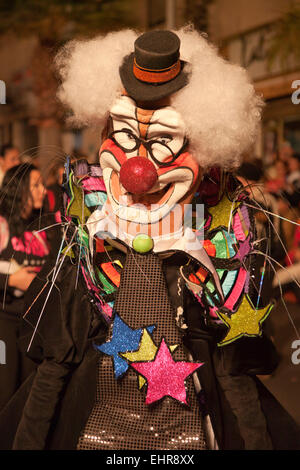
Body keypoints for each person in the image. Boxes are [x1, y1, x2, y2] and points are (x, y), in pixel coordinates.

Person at [1, 28, 300, 451]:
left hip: (189, 441)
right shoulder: (86, 242)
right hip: (95, 436)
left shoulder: (221, 249)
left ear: (205, 145)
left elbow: (234, 376)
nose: (135, 171)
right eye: (123, 136)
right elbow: (54, 366)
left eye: (163, 142)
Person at [0, 163, 50, 410]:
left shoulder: (44, 225)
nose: (43, 190)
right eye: (36, 185)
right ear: (20, 189)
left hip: (36, 325)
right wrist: (10, 280)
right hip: (5, 325)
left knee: (30, 398)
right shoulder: (2, 225)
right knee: (6, 393)